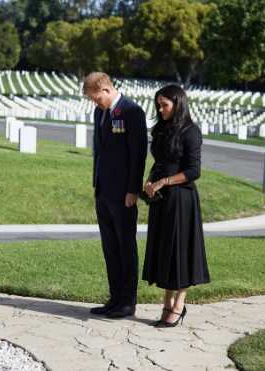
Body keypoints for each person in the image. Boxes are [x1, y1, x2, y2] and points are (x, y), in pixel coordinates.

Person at [142, 84, 210, 327]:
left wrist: (164, 181)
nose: (160, 110)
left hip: (182, 200)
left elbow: (194, 171)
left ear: (178, 104)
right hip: (161, 201)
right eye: (158, 105)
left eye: (165, 105)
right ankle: (166, 302)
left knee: (180, 254)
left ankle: (178, 305)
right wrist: (150, 181)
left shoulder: (191, 132)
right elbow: (160, 161)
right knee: (165, 252)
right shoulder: (162, 129)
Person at [83, 72, 148, 318]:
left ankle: (128, 302)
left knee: (125, 246)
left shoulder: (132, 112)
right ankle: (114, 298)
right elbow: (99, 152)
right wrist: (96, 184)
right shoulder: (100, 113)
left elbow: (138, 154)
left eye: (96, 98)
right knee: (110, 247)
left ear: (106, 89)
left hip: (123, 193)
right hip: (103, 190)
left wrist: (133, 190)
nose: (95, 103)